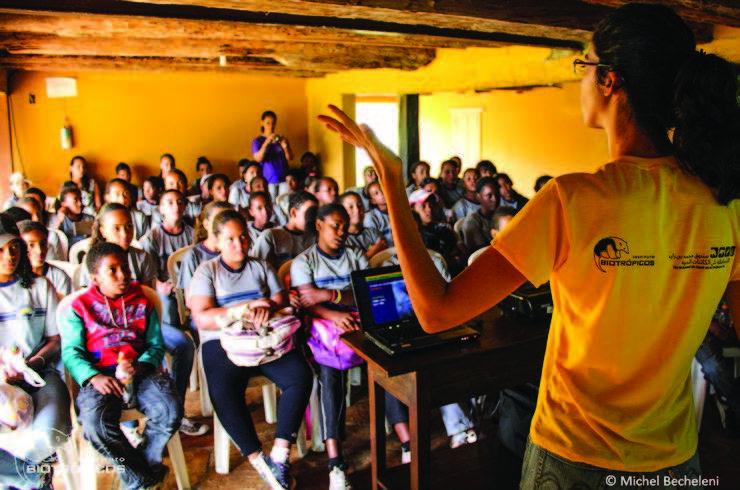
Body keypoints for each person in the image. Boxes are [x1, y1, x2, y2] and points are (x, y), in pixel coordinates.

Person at [318, 3, 740, 486]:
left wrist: (392, 179)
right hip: (673, 461)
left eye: (584, 65)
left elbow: (437, 312)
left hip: (575, 457)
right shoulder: (725, 202)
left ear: (609, 80)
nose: (581, 79)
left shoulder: (573, 200)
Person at [189, 210, 313, 490]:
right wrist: (243, 309)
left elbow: (281, 300)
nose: (239, 243)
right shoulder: (207, 271)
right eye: (230, 239)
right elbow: (203, 317)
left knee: (300, 376)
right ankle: (259, 459)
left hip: (263, 335)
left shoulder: (260, 266)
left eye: (243, 236)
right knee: (223, 390)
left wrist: (266, 307)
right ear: (218, 241)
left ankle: (280, 455)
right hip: (223, 339)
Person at [291, 203, 410, 489]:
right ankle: (335, 460)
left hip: (358, 324)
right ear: (319, 225)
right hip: (323, 334)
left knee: (386, 363)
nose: (342, 231)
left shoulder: (356, 255)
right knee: (330, 376)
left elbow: (366, 295)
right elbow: (308, 305)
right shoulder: (304, 262)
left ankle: (407, 441)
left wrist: (330, 294)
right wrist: (335, 311)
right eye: (335, 225)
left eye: (345, 226)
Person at [60, 242, 181, 490]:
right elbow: (71, 353)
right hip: (101, 376)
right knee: (95, 423)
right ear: (95, 278)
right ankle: (140, 476)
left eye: (124, 267)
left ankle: (144, 463)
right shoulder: (79, 307)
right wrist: (93, 377)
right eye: (112, 270)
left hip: (140, 370)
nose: (122, 275)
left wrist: (141, 365)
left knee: (170, 409)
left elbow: (156, 344)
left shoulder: (142, 299)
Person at [0, 214, 70, 490]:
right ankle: (33, 478)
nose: (10, 255)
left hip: (41, 376)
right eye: (1, 249)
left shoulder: (40, 287)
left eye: (15, 246)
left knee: (49, 432)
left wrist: (32, 363)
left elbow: (55, 339)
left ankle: (30, 478)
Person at [138, 190, 207, 437]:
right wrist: (161, 285)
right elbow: (150, 278)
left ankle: (178, 404)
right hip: (164, 293)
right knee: (166, 303)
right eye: (169, 202)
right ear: (159, 208)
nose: (176, 206)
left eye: (180, 201)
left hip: (190, 289)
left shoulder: (191, 233)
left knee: (193, 326)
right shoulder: (152, 237)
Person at [252, 191, 318, 271]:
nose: (314, 218)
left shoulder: (315, 237)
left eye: (316, 213)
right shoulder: (270, 237)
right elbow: (257, 271)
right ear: (293, 213)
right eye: (310, 213)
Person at [178, 201, 232, 295]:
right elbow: (190, 300)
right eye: (218, 220)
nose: (224, 225)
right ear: (206, 224)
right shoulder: (193, 255)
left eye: (228, 220)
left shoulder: (236, 250)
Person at [19, 220, 71, 298]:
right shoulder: (13, 278)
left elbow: (61, 307)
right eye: (31, 245)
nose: (39, 251)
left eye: (43, 244)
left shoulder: (59, 276)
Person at [253, 110, 293, 200]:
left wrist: (285, 147)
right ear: (262, 123)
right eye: (268, 123)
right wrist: (267, 142)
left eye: (273, 123)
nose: (271, 126)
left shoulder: (281, 139)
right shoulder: (258, 141)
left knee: (284, 204)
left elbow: (290, 158)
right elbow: (258, 159)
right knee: (271, 204)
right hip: (268, 180)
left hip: (284, 179)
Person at [457, 177, 501, 252]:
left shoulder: (503, 215)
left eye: (497, 195)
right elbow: (479, 252)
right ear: (478, 197)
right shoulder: (472, 221)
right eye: (489, 196)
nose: (494, 199)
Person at [340, 191, 387, 259]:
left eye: (359, 206)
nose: (357, 210)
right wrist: (374, 251)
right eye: (351, 207)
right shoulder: (342, 240)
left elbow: (385, 253)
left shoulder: (373, 232)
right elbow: (353, 264)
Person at [363, 182, 392, 246]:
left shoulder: (399, 211)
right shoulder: (371, 218)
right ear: (373, 201)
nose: (382, 193)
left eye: (382, 190)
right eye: (376, 193)